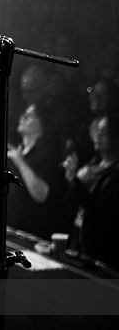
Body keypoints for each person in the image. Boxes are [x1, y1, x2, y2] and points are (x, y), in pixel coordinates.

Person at [0, 103, 71, 240]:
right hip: (7, 229)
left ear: (42, 124)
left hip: (30, 235)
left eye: (29, 116)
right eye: (23, 114)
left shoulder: (48, 155)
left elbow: (42, 195)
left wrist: (20, 162)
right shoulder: (17, 151)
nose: (22, 118)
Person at [62, 112, 119, 270]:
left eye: (103, 132)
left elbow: (101, 212)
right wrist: (72, 180)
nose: (97, 136)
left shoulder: (116, 174)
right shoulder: (91, 165)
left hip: (103, 254)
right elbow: (69, 206)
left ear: (116, 137)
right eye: (96, 131)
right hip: (78, 244)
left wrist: (76, 182)